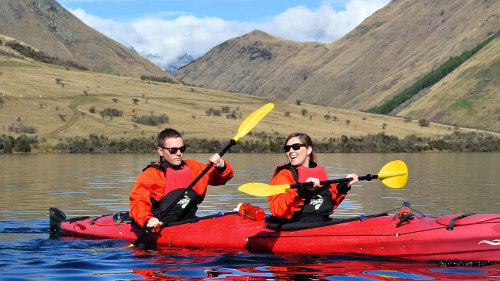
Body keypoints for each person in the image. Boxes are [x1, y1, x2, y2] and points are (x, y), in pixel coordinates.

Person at [129, 128, 233, 229]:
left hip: (190, 222)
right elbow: (138, 202)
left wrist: (221, 165)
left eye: (182, 149)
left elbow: (221, 178)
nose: (179, 153)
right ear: (161, 151)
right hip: (160, 226)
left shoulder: (194, 167)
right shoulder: (151, 175)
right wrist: (147, 220)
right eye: (173, 150)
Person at [267, 132, 358, 224]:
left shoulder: (317, 171)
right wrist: (301, 192)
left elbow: (329, 203)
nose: (290, 151)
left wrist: (344, 187)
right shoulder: (283, 175)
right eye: (287, 148)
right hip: (294, 226)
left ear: (309, 150)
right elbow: (277, 209)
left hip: (321, 223)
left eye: (296, 147)